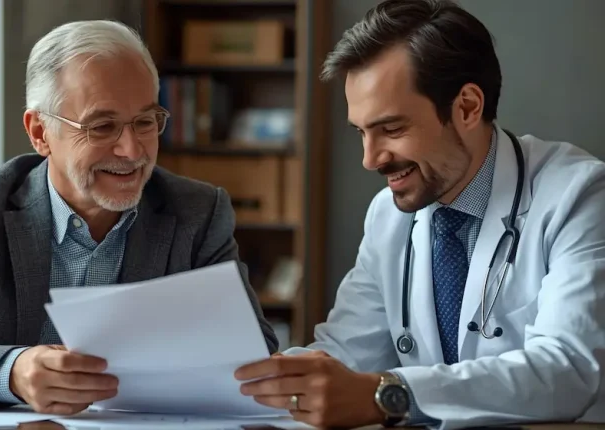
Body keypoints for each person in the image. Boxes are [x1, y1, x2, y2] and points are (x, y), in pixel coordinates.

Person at [0, 20, 278, 415]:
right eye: (102, 126)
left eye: (145, 122)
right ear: (40, 132)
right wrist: (13, 372)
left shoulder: (197, 213)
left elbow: (253, 353)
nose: (132, 151)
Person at [234, 0, 605, 428]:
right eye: (362, 132)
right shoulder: (387, 216)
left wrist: (388, 395)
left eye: (392, 129)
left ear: (467, 107)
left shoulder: (579, 196)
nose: (370, 159)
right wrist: (249, 383)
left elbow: (566, 371)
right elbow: (343, 355)